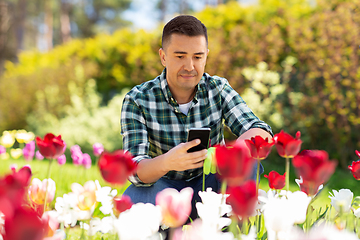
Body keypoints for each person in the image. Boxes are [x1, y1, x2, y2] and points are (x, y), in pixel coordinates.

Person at [120, 15, 273, 219]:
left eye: (198, 57)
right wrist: (168, 162)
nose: (190, 66)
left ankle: (232, 230)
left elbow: (260, 130)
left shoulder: (218, 89)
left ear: (206, 56)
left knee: (250, 160)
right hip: (165, 188)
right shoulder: (137, 100)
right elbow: (134, 169)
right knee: (133, 200)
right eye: (180, 56)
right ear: (163, 57)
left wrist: (230, 154)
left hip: (213, 186)